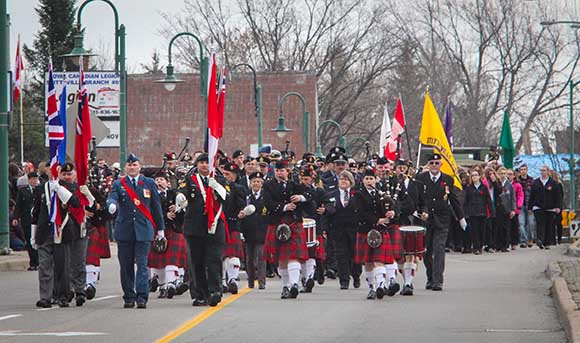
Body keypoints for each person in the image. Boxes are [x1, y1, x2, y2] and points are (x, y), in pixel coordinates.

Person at [107, 154, 165, 309]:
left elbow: (156, 207)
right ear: (126, 168)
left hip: (143, 230)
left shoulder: (148, 183)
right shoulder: (119, 184)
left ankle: (141, 296)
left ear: (139, 167)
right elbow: (112, 197)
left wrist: (161, 230)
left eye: (135, 165)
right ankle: (129, 296)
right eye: (129, 165)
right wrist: (111, 204)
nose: (132, 168)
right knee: (126, 266)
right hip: (124, 230)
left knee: (142, 264)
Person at [176, 153, 228, 307]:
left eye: (207, 162)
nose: (204, 165)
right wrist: (180, 198)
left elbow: (228, 198)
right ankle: (200, 294)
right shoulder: (189, 180)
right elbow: (182, 192)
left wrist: (216, 186)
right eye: (201, 163)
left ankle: (215, 291)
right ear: (196, 165)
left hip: (214, 226)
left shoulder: (219, 180)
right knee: (197, 261)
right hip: (195, 227)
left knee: (214, 259)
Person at [415, 153, 465, 291]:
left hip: (442, 219)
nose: (434, 166)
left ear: (441, 164)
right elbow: (418, 199)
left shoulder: (448, 179)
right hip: (426, 220)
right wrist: (420, 212)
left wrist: (461, 218)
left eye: (437, 163)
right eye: (432, 163)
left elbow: (453, 199)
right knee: (427, 251)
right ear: (428, 165)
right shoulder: (420, 178)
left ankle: (438, 280)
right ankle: (430, 277)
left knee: (439, 249)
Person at [263, 160, 311, 299]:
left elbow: (311, 194)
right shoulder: (268, 185)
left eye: (282, 170)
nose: (280, 173)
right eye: (277, 171)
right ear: (274, 171)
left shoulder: (294, 185)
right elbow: (268, 203)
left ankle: (294, 284)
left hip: (293, 223)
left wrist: (301, 197)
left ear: (287, 171)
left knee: (293, 256)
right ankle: (285, 286)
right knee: (281, 258)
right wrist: (284, 207)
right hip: (277, 224)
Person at [353, 168, 396, 300]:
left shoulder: (380, 195)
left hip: (380, 231)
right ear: (363, 181)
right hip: (365, 231)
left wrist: (391, 213)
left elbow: (388, 208)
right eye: (366, 179)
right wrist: (377, 220)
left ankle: (380, 286)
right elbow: (359, 213)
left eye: (371, 178)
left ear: (375, 180)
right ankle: (371, 287)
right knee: (368, 262)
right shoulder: (358, 195)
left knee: (379, 260)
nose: (369, 181)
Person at [147, 173, 188, 299]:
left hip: (174, 230)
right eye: (157, 180)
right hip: (158, 230)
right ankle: (162, 286)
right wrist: (166, 216)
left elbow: (184, 209)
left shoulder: (174, 194)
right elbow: (149, 212)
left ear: (167, 182)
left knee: (172, 259)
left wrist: (178, 207)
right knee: (159, 261)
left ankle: (171, 284)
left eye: (162, 180)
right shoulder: (149, 196)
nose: (159, 182)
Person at [325, 170, 361, 290]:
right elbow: (326, 212)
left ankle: (356, 276)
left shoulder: (357, 195)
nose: (343, 181)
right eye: (341, 179)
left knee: (354, 254)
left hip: (354, 229)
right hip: (337, 229)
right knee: (341, 255)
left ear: (351, 181)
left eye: (346, 179)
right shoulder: (331, 195)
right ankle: (344, 280)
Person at [240, 172, 268, 289]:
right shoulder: (246, 196)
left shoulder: (266, 196)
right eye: (254, 182)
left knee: (261, 257)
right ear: (250, 184)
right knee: (249, 259)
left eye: (258, 182)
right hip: (249, 231)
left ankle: (262, 282)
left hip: (261, 231)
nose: (256, 184)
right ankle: (251, 281)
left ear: (262, 184)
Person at [221, 162, 246, 294]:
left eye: (228, 174)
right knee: (222, 255)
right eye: (224, 173)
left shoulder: (238, 188)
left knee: (233, 254)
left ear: (235, 176)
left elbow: (242, 203)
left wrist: (242, 211)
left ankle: (233, 279)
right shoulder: (218, 186)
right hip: (219, 224)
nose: (225, 176)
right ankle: (223, 282)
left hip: (232, 224)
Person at [528, 165, 562, 249]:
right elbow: (532, 195)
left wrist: (558, 207)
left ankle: (547, 243)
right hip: (538, 207)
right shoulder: (536, 182)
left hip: (550, 208)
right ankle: (540, 239)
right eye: (541, 170)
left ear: (548, 171)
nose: (542, 172)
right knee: (540, 224)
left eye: (544, 170)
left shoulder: (553, 183)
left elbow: (558, 196)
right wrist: (530, 207)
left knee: (549, 225)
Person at [14, 171, 40, 270]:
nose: (34, 181)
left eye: (35, 179)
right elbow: (18, 205)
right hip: (27, 219)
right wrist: (16, 217)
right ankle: (33, 262)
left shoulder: (39, 190)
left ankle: (39, 261)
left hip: (37, 220)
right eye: (32, 179)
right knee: (29, 240)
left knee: (37, 240)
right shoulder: (23, 191)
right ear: (28, 180)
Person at [463, 169, 491, 255]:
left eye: (476, 175)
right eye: (473, 175)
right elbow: (466, 201)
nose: (474, 177)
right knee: (474, 231)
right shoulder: (469, 188)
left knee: (481, 230)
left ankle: (481, 245)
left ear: (479, 177)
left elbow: (488, 200)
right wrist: (466, 212)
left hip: (482, 212)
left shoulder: (484, 187)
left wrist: (491, 211)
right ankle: (476, 248)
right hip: (473, 213)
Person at [495, 167, 516, 252]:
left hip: (507, 209)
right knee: (499, 227)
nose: (503, 175)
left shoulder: (509, 185)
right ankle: (499, 245)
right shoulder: (497, 184)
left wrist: (513, 210)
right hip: (498, 208)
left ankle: (505, 245)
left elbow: (513, 198)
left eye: (504, 173)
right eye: (501, 173)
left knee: (506, 228)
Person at [517, 164, 535, 248]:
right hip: (520, 205)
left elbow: (535, 193)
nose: (523, 171)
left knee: (531, 223)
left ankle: (530, 239)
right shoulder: (517, 181)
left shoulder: (531, 180)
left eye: (524, 169)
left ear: (527, 170)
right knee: (521, 223)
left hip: (529, 205)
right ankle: (523, 240)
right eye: (521, 169)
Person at [507, 169, 524, 250]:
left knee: (514, 226)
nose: (509, 176)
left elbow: (520, 196)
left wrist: (518, 206)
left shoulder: (517, 185)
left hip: (514, 208)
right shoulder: (504, 184)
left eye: (510, 174)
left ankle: (514, 242)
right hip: (506, 208)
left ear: (514, 176)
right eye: (508, 174)